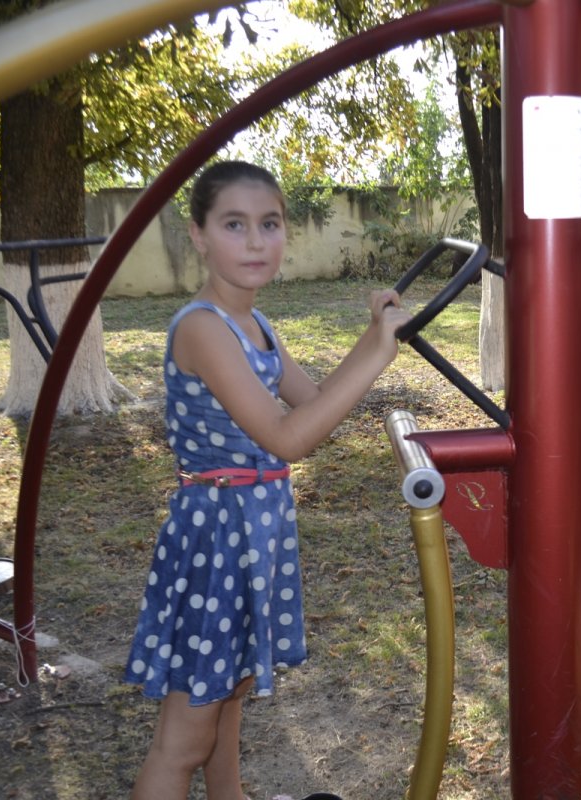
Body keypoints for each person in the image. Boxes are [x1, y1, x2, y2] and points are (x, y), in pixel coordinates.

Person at [123, 160, 411, 800]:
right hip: (215, 538)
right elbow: (289, 438)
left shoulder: (256, 326)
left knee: (230, 696)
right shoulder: (203, 328)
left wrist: (373, 337)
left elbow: (315, 403)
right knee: (185, 737)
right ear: (198, 235)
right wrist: (377, 358)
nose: (256, 241)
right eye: (234, 224)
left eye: (270, 224)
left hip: (253, 533)